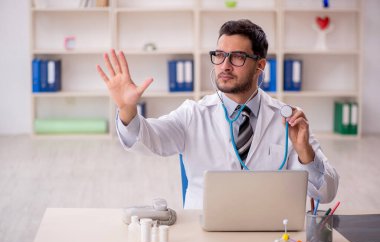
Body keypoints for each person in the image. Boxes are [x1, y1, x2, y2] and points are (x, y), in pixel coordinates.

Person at [96, 19, 339, 209]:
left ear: (261, 65)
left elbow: (326, 193)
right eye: (220, 55)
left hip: (268, 234)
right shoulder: (194, 113)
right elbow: (148, 141)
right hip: (203, 232)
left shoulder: (287, 120)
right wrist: (127, 108)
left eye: (237, 57)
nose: (225, 65)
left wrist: (304, 152)